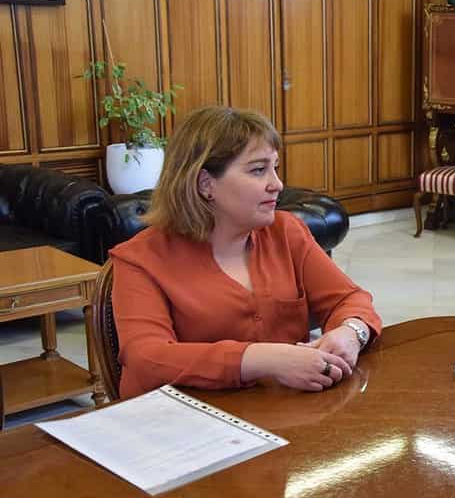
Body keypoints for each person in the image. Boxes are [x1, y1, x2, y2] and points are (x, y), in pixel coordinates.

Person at [110, 106, 382, 399]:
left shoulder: (285, 231)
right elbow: (147, 357)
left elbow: (348, 298)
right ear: (205, 184)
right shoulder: (139, 260)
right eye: (258, 170)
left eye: (275, 167)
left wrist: (352, 333)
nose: (277, 184)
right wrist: (261, 360)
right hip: (183, 425)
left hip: (284, 414)